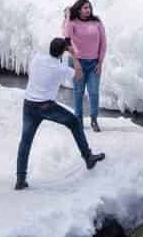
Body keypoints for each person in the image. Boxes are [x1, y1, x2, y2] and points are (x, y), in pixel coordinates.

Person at [16, 37, 105, 190]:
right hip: (46, 106)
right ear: (63, 52)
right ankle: (88, 157)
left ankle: (20, 180)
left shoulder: (38, 58)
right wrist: (74, 55)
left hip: (29, 104)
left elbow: (46, 56)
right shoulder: (60, 69)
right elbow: (79, 75)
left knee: (25, 141)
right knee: (75, 122)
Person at [63, 0, 107, 132]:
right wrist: (69, 17)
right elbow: (66, 37)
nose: (88, 10)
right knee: (78, 91)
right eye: (85, 8)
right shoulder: (73, 23)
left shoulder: (97, 22)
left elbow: (103, 43)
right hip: (78, 62)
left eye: (89, 7)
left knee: (93, 92)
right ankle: (78, 120)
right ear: (79, 10)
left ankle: (94, 119)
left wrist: (100, 63)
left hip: (94, 63)